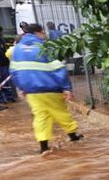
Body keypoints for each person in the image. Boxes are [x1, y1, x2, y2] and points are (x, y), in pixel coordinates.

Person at [10, 23, 83, 155]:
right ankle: (73, 136)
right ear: (38, 33)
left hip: (31, 91)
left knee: (41, 117)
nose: (44, 35)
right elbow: (58, 68)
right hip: (50, 88)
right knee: (61, 112)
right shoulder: (44, 47)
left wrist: (21, 87)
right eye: (43, 32)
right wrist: (66, 88)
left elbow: (14, 71)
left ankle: (44, 146)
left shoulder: (17, 49)